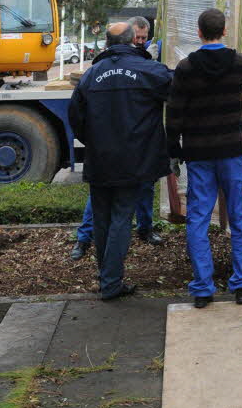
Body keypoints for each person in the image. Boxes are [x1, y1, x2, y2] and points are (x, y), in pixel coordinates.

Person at [165, 7, 242, 309]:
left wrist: (174, 150)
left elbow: (174, 112)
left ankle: (202, 288)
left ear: (199, 33)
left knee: (197, 219)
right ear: (224, 31)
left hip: (199, 154)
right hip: (232, 151)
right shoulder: (239, 62)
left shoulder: (185, 68)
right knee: (239, 216)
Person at [68, 21, 172, 299]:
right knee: (122, 219)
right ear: (132, 41)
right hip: (133, 161)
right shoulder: (149, 71)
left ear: (106, 43)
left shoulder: (91, 76)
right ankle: (111, 284)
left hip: (100, 159)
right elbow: (177, 88)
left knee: (102, 220)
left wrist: (95, 142)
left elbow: (75, 118)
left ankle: (106, 278)